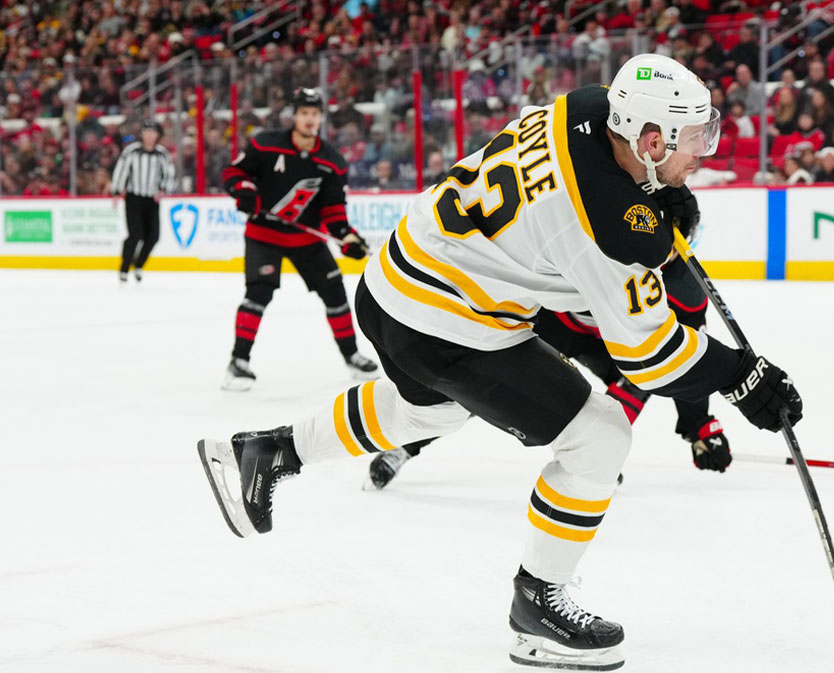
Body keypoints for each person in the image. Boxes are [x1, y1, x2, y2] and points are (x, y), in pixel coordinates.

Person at [196, 55, 803, 671]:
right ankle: (538, 607)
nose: (705, 150)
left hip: (397, 277)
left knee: (427, 414)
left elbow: (569, 227)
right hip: (446, 320)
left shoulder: (589, 107)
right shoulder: (605, 228)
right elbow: (652, 357)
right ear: (650, 140)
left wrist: (652, 200)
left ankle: (271, 451)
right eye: (696, 137)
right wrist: (743, 378)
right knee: (599, 438)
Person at [368, 193, 735, 488]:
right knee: (481, 386)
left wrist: (699, 426)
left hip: (603, 345)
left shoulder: (685, 292)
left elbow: (686, 358)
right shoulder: (598, 236)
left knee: (644, 375)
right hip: (549, 321)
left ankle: (594, 454)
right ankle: (406, 448)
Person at [219, 88, 379, 390]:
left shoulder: (331, 161)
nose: (309, 119)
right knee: (259, 294)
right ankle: (238, 362)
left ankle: (352, 356)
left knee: (335, 294)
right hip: (264, 234)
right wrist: (245, 191)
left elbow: (332, 209)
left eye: (315, 114)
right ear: (295, 115)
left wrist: (346, 236)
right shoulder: (265, 144)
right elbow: (233, 172)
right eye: (304, 113)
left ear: (321, 118)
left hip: (305, 240)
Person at [110, 119, 174, 283]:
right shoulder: (132, 152)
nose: (150, 136)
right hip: (134, 198)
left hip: (152, 200)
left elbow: (169, 173)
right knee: (135, 234)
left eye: (153, 133)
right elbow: (122, 170)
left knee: (153, 236)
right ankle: (124, 268)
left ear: (158, 135)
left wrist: (163, 190)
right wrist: (117, 191)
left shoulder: (162, 154)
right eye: (146, 132)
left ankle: (138, 265)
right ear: (141, 134)